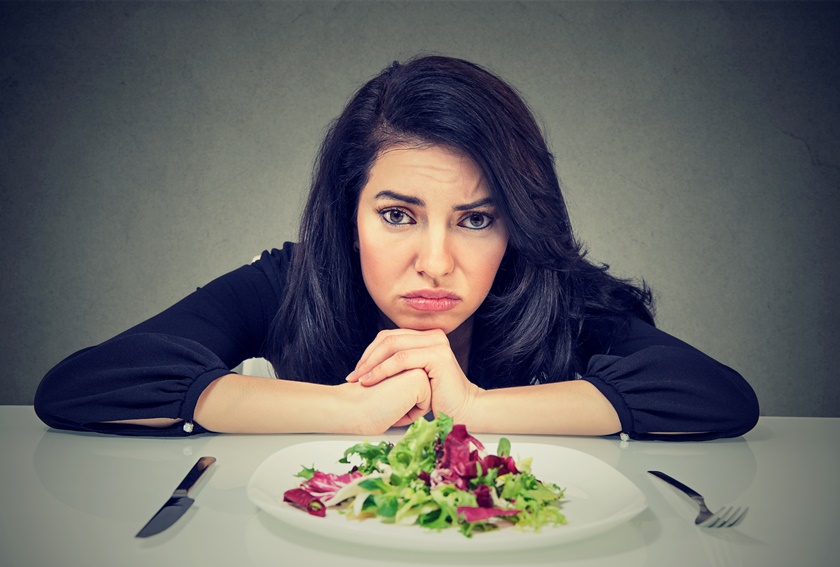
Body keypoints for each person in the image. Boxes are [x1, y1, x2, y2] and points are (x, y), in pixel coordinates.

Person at [34, 55, 759, 440]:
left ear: (515, 226)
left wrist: (472, 407)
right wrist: (348, 411)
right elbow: (83, 386)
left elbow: (719, 400)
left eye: (476, 220)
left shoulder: (549, 293)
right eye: (397, 215)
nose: (436, 262)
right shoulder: (290, 282)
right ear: (348, 213)